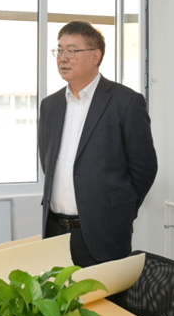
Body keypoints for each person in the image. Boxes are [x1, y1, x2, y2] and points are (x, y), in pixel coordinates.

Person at [38, 20, 158, 268]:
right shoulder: (50, 105)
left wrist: (121, 211)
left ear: (95, 56)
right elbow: (47, 162)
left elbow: (144, 168)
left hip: (104, 233)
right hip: (55, 232)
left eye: (72, 51)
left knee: (103, 295)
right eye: (59, 50)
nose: (63, 58)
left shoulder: (125, 102)